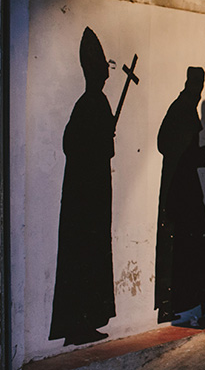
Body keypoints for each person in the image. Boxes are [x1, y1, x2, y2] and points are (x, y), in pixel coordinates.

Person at [49, 27, 117, 346]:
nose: (107, 72)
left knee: (85, 257)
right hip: (89, 198)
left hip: (87, 196)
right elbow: (85, 147)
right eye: (104, 67)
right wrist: (105, 137)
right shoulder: (94, 103)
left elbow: (77, 144)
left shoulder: (89, 103)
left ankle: (83, 323)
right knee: (87, 257)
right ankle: (81, 324)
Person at [155, 67, 205, 323]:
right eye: (197, 84)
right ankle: (184, 306)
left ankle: (190, 305)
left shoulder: (183, 108)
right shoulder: (182, 109)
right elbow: (174, 148)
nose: (199, 90)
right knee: (188, 246)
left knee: (192, 245)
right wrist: (197, 156)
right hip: (182, 190)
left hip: (184, 188)